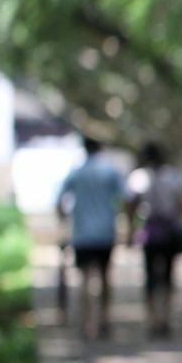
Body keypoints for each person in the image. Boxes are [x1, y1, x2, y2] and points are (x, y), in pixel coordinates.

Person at [55, 137, 125, 339]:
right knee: (105, 276)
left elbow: (59, 200)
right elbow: (126, 198)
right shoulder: (110, 172)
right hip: (105, 232)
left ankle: (89, 323)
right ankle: (104, 318)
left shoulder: (76, 173)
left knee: (85, 278)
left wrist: (63, 222)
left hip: (82, 234)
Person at [125, 141, 182, 340]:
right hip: (170, 230)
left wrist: (130, 229)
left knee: (149, 278)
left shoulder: (138, 177)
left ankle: (152, 319)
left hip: (150, 232)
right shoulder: (173, 176)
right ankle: (166, 318)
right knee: (169, 276)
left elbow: (129, 204)